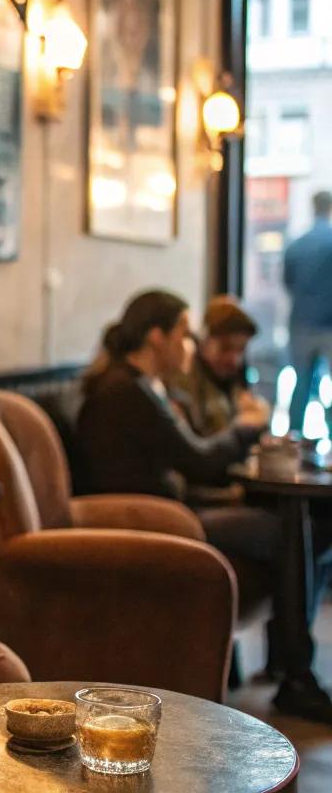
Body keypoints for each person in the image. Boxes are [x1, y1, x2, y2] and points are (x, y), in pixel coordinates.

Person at [77, 289, 332, 722]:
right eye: (183, 334)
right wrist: (245, 427)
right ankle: (296, 677)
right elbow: (198, 461)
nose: (190, 345)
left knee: (305, 522)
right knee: (288, 529)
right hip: (156, 523)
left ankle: (290, 664)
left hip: (171, 511)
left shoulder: (139, 386)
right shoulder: (126, 390)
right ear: (156, 337)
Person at [171, 295, 267, 440]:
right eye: (225, 348)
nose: (234, 359)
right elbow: (194, 446)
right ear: (205, 339)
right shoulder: (184, 380)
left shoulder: (237, 379)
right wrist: (241, 427)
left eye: (241, 349)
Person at [284, 190, 332, 433]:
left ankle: (294, 439)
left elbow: (288, 283)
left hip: (301, 323)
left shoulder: (297, 244)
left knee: (301, 384)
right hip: (328, 324)